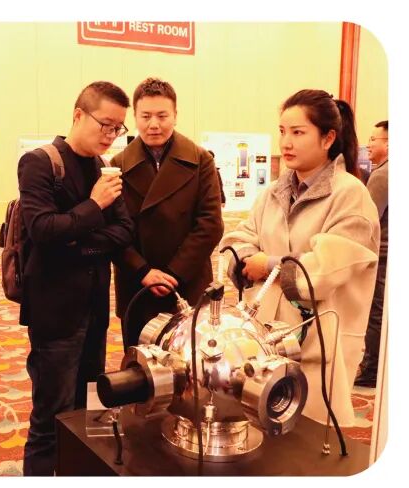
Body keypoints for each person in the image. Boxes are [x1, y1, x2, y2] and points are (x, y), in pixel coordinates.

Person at [223, 90, 379, 427]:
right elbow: (239, 239)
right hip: (265, 344)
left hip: (318, 349)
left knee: (310, 442)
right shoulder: (273, 191)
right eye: (282, 131)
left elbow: (324, 271)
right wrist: (246, 258)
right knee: (262, 432)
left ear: (328, 138)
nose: (286, 142)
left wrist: (268, 264)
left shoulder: (350, 195)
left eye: (298, 132)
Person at [18, 82, 135, 474]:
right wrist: (94, 205)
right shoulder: (40, 163)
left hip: (95, 311)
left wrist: (76, 242)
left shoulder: (104, 168)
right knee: (50, 419)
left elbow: (124, 231)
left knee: (89, 413)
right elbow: (42, 230)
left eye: (118, 128)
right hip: (55, 314)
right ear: (78, 115)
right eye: (105, 124)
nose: (111, 134)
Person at [114, 78, 224, 348]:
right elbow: (113, 229)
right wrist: (143, 271)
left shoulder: (200, 160)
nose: (154, 124)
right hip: (138, 284)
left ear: (175, 115)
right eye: (146, 116)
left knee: (189, 360)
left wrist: (174, 273)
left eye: (162, 116)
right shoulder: (119, 164)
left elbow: (210, 224)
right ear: (135, 116)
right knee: (140, 362)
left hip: (187, 281)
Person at [357, 121, 387, 387]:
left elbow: (367, 222)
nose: (368, 144)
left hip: (382, 255)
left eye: (373, 139)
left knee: (376, 311)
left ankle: (371, 370)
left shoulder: (382, 175)